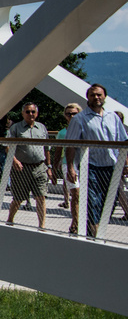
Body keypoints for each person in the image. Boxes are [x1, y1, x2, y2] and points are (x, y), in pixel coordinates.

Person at [65, 83, 128, 237]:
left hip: (111, 167)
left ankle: (93, 231)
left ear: (104, 97)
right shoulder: (79, 119)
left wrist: (125, 164)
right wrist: (71, 168)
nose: (96, 98)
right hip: (90, 167)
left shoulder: (113, 117)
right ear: (88, 97)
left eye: (99, 95)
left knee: (109, 203)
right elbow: (71, 145)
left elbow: (123, 142)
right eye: (93, 95)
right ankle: (95, 236)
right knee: (92, 202)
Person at [5, 103, 49, 228]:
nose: (31, 114)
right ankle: (10, 219)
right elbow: (7, 147)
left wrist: (49, 166)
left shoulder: (41, 128)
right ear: (23, 113)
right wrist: (15, 161)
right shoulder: (15, 128)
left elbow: (47, 148)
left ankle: (42, 226)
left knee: (40, 197)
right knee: (18, 198)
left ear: (37, 113)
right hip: (22, 167)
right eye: (28, 112)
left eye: (33, 112)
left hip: (39, 167)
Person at [55, 103, 81, 210]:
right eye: (69, 114)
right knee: (76, 193)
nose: (72, 116)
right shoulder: (62, 133)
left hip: (84, 163)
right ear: (65, 115)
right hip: (68, 164)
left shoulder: (85, 130)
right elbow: (57, 151)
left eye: (74, 113)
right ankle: (75, 222)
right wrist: (54, 168)